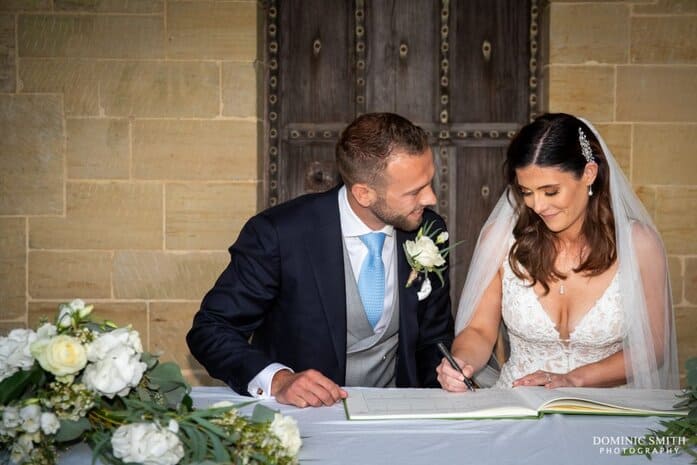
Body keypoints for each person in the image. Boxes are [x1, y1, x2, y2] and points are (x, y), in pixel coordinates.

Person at [188, 112, 454, 408]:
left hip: (397, 418)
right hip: (306, 419)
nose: (430, 198)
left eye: (429, 182)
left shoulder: (429, 231)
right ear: (363, 194)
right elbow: (211, 329)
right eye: (415, 191)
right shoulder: (279, 234)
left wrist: (448, 371)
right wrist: (279, 380)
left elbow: (434, 338)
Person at [437, 113, 678, 392]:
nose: (537, 206)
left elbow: (653, 346)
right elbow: (479, 330)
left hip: (606, 409)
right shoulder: (500, 240)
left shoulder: (639, 244)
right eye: (526, 191)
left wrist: (574, 379)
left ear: (589, 174)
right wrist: (460, 362)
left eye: (550, 191)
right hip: (519, 405)